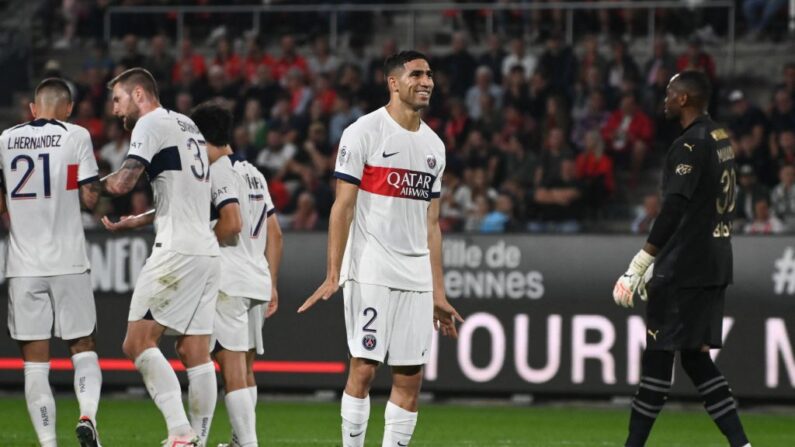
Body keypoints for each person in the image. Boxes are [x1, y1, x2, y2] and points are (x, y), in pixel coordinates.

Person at [298, 51, 463, 447]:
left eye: (430, 75)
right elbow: (343, 206)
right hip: (371, 267)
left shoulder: (434, 147)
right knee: (365, 368)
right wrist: (333, 272)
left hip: (416, 275)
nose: (427, 82)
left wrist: (438, 291)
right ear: (393, 82)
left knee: (410, 377)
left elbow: (431, 224)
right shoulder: (364, 132)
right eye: (417, 74)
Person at [612, 71, 751, 447]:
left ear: (685, 99)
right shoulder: (720, 137)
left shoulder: (689, 145)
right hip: (715, 260)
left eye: (671, 93)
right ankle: (743, 444)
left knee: (658, 358)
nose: (666, 98)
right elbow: (703, 205)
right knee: (694, 357)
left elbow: (673, 208)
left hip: (685, 269)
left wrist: (641, 263)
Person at [101, 68, 220, 447]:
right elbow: (186, 195)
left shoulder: (149, 123)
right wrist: (135, 220)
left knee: (136, 343)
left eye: (118, 100)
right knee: (195, 351)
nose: (116, 111)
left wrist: (77, 181)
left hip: (178, 250)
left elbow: (122, 183)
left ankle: (180, 432)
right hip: (205, 249)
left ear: (139, 94)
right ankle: (198, 440)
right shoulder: (187, 125)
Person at [0, 78, 103, 447]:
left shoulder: (5, 139)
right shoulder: (76, 135)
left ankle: (48, 443)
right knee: (83, 346)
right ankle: (87, 416)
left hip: (24, 266)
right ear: (69, 108)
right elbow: (91, 197)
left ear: (32, 108)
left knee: (35, 363)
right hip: (68, 261)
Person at [190, 102, 283, 447]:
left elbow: (230, 227)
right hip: (256, 279)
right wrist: (272, 282)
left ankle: (247, 443)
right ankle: (237, 440)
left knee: (230, 370)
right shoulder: (253, 172)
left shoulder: (216, 173)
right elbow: (276, 233)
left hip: (229, 279)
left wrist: (199, 244)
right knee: (244, 369)